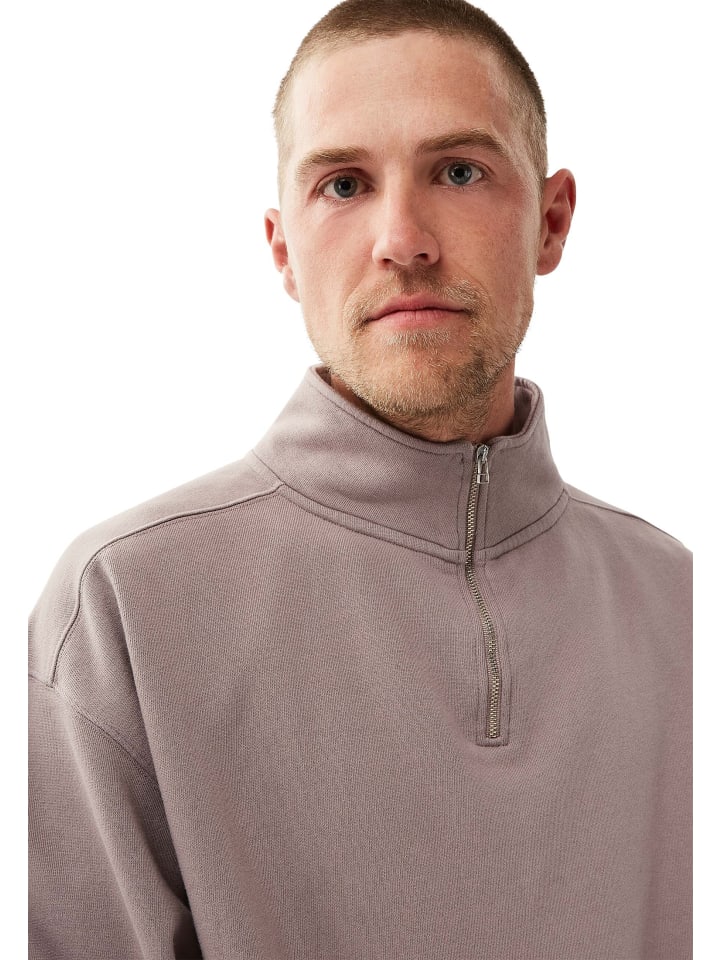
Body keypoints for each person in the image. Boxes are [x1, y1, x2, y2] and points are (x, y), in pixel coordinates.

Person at [28, 1, 691, 957]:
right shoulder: (123, 608)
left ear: (551, 222)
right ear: (283, 251)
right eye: (343, 184)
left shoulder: (680, 601)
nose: (403, 239)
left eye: (458, 172)